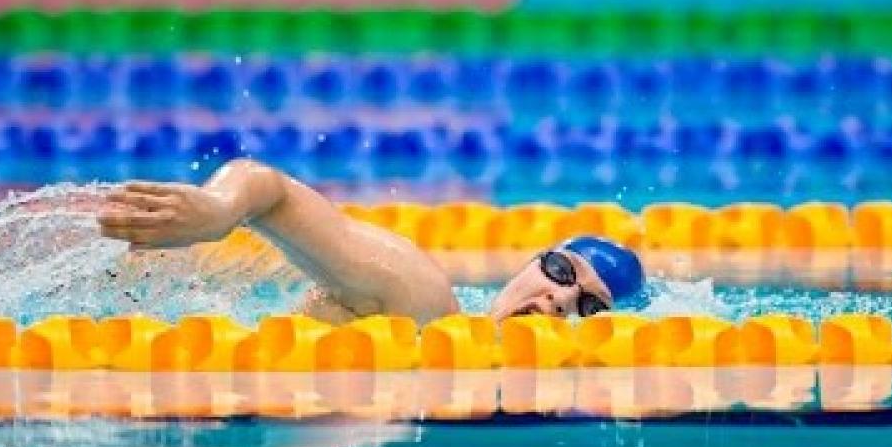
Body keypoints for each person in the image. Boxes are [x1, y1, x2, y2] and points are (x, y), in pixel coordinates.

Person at [98, 158, 644, 325]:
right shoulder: (421, 301)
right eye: (563, 272)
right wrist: (218, 211)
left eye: (590, 308)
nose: (559, 300)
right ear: (531, 263)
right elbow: (269, 188)